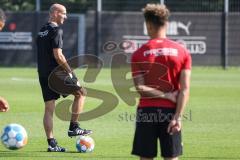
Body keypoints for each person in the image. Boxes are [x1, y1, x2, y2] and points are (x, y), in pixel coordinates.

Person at [131, 4, 191, 160]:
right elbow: (184, 89)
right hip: (171, 113)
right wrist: (178, 116)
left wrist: (165, 95)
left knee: (146, 157)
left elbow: (140, 88)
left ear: (148, 25)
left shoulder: (138, 53)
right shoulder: (182, 51)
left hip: (146, 112)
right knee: (171, 157)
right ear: (167, 24)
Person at [36, 3, 92, 152]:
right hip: (55, 73)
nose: (66, 17)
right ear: (54, 13)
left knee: (49, 108)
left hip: (42, 74)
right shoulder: (56, 30)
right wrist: (71, 73)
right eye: (63, 13)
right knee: (81, 93)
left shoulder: (42, 30)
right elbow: (58, 55)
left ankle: (51, 143)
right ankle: (74, 127)